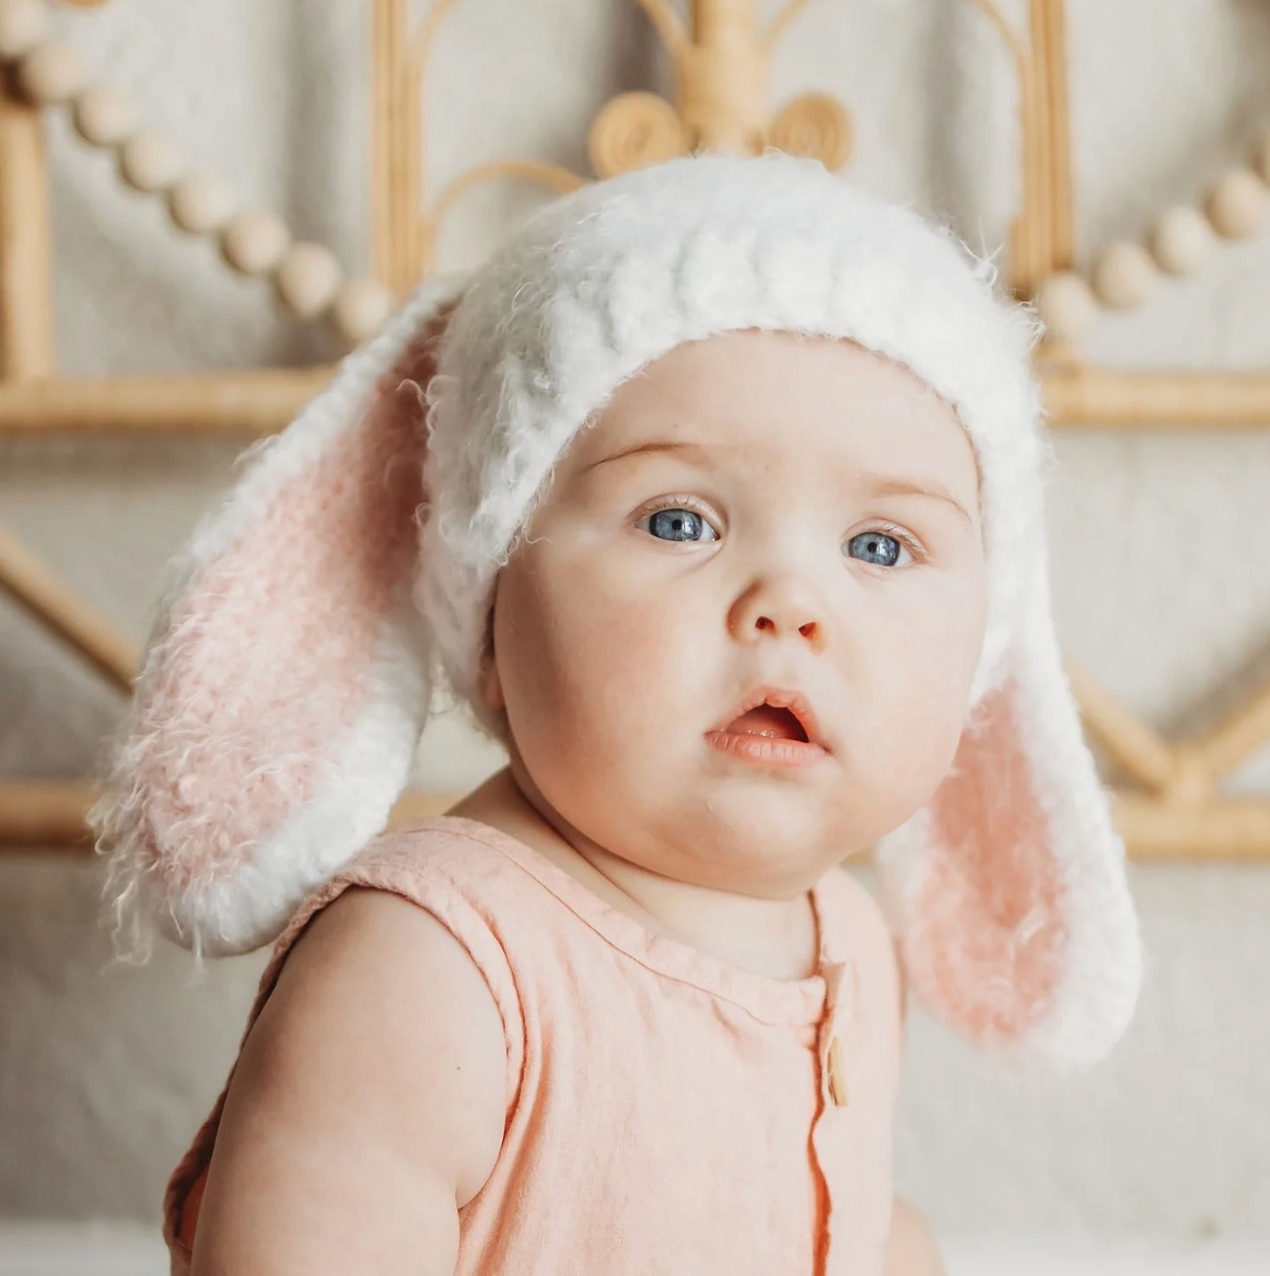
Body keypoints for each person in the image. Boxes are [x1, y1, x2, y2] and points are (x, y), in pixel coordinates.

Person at [91, 152, 1142, 1276]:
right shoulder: (430, 963)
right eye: (679, 522)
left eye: (878, 546)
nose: (789, 605)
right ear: (492, 607)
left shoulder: (848, 947)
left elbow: (821, 1220)